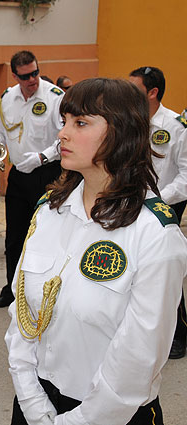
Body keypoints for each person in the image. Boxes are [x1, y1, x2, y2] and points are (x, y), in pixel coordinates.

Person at [5, 78, 187, 425]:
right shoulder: (48, 212)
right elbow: (22, 314)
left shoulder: (154, 234)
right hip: (35, 403)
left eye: (80, 123)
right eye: (64, 122)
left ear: (120, 133)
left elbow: (138, 357)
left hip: (112, 414)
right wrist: (32, 401)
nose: (62, 135)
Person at [0, 51, 64, 309]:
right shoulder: (8, 98)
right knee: (15, 237)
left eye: (35, 72)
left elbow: (65, 138)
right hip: (18, 175)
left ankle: (43, 293)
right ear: (15, 75)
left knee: (46, 237)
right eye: (26, 76)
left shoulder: (55, 97)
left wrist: (43, 157)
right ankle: (12, 290)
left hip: (48, 175)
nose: (32, 79)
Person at [129, 66, 187, 359]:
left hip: (165, 204)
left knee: (164, 268)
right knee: (138, 268)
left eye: (135, 89)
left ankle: (178, 334)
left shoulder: (176, 126)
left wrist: (159, 199)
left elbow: (186, 176)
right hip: (133, 202)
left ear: (152, 93)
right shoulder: (129, 121)